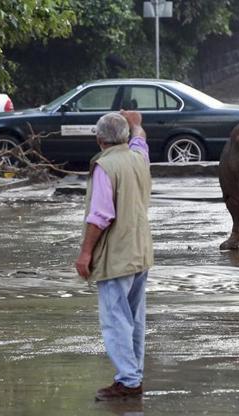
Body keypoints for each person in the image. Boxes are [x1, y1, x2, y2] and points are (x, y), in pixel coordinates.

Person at [75, 110, 153, 402]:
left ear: (99, 139)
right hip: (140, 251)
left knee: (115, 319)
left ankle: (129, 381)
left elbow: (100, 217)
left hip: (117, 255)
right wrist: (136, 124)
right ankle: (132, 375)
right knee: (134, 318)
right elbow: (141, 141)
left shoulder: (105, 166)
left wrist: (85, 253)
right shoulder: (138, 157)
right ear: (125, 137)